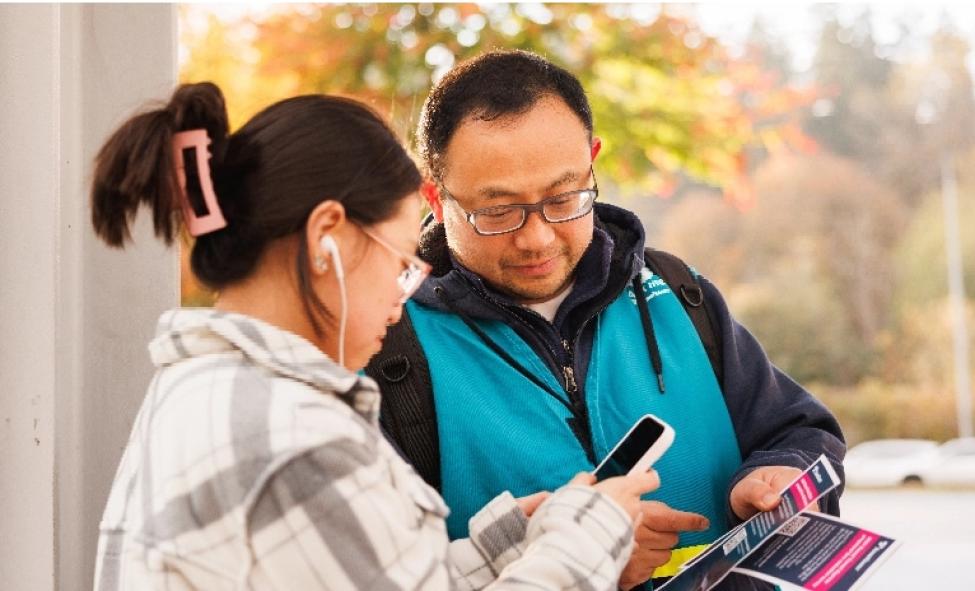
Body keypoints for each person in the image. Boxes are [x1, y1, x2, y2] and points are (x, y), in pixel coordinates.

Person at [90, 82, 658, 590]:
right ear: (326, 240)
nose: (401, 298)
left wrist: (503, 548)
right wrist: (590, 534)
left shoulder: (204, 392)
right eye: (400, 262)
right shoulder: (296, 437)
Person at [366, 50, 847, 590]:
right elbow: (383, 575)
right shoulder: (386, 348)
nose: (537, 237)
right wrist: (579, 555)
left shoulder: (679, 293)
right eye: (497, 211)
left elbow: (802, 431)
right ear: (435, 194)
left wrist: (777, 477)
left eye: (564, 197)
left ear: (592, 162)